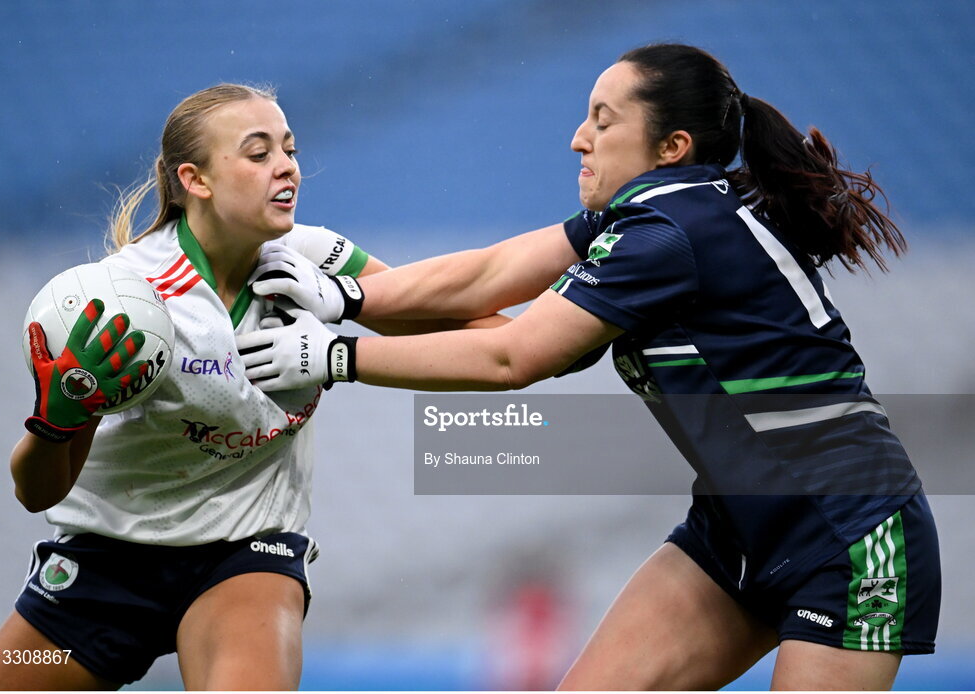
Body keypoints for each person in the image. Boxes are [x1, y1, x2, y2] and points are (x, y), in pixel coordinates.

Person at [240, 44, 942, 690]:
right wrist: (350, 287)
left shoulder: (668, 233)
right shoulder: (661, 213)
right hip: (737, 530)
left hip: (850, 538)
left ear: (671, 147)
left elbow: (513, 355)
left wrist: (333, 355)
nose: (579, 137)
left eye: (602, 121)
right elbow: (493, 274)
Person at [0, 83, 497, 691]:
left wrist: (577, 314)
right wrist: (56, 421)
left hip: (245, 556)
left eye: (288, 149)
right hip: (105, 573)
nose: (286, 166)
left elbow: (488, 337)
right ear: (196, 180)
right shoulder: (123, 301)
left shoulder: (314, 260)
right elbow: (36, 492)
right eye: (258, 152)